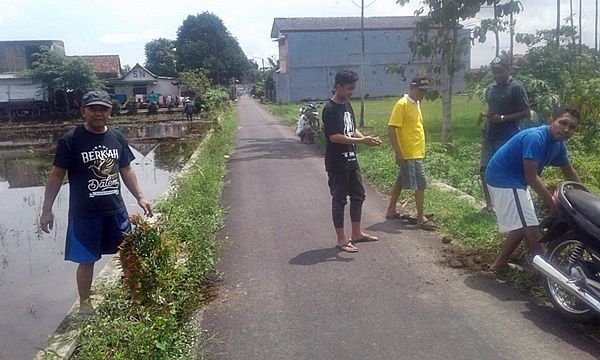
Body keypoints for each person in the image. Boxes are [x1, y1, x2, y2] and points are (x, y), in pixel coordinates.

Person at [39, 90, 153, 314]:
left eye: (103, 109)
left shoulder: (117, 137)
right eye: (93, 109)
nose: (98, 113)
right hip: (84, 214)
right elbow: (56, 176)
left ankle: (135, 294)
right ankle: (84, 303)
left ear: (110, 112)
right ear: (83, 111)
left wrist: (140, 196)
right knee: (87, 260)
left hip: (115, 210)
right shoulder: (70, 140)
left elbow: (126, 169)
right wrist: (46, 209)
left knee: (128, 252)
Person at [485, 107, 581, 272]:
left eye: (572, 127)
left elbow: (568, 170)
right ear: (551, 120)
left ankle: (499, 264)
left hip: (517, 180)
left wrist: (584, 196)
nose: (566, 129)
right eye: (563, 123)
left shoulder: (558, 144)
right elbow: (532, 177)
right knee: (530, 225)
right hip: (503, 177)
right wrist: (552, 202)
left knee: (523, 223)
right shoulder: (535, 137)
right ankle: (547, 272)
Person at [322, 69, 382, 252]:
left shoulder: (347, 105)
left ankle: (357, 233)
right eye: (348, 88)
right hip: (337, 162)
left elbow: (350, 129)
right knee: (339, 200)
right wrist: (361, 141)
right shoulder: (330, 109)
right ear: (338, 87)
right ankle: (341, 239)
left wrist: (366, 139)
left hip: (351, 160)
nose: (351, 92)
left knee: (358, 196)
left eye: (352, 88)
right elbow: (335, 137)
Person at [480, 56, 531, 213]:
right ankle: (490, 205)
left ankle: (512, 205)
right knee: (484, 169)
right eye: (494, 72)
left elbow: (526, 112)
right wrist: (487, 118)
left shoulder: (516, 88)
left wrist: (502, 118)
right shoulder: (490, 89)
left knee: (507, 171)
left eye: (500, 72)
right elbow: (491, 108)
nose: (497, 75)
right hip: (490, 135)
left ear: (509, 70)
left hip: (508, 137)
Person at [385, 77, 436, 230]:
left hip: (415, 150)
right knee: (420, 184)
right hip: (409, 152)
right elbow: (391, 128)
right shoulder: (403, 104)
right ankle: (421, 218)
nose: (423, 94)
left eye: (425, 91)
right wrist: (398, 152)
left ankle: (391, 210)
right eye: (421, 90)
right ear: (412, 87)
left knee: (400, 181)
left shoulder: (416, 103)